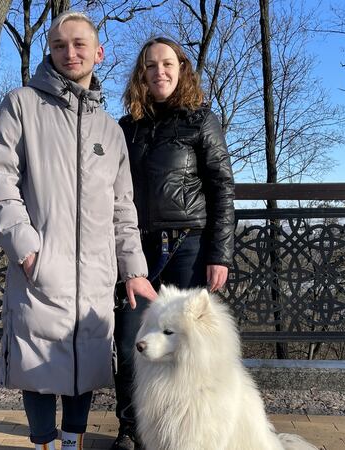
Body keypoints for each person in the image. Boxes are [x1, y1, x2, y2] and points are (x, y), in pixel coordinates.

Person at [0, 11, 157, 450]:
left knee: (87, 361)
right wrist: (26, 248)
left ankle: (73, 443)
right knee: (38, 361)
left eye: (79, 44)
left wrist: (133, 268)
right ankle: (43, 444)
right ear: (51, 52)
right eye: (60, 45)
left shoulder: (110, 130)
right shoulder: (20, 105)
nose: (69, 52)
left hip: (95, 270)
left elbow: (122, 207)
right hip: (44, 263)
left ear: (98, 53)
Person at [111, 36, 236, 450]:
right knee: (133, 343)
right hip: (137, 250)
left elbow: (222, 188)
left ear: (181, 68)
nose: (159, 71)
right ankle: (132, 427)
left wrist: (220, 253)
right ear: (141, 74)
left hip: (189, 246)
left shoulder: (201, 120)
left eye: (167, 63)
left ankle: (190, 430)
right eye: (150, 65)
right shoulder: (125, 128)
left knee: (189, 348)